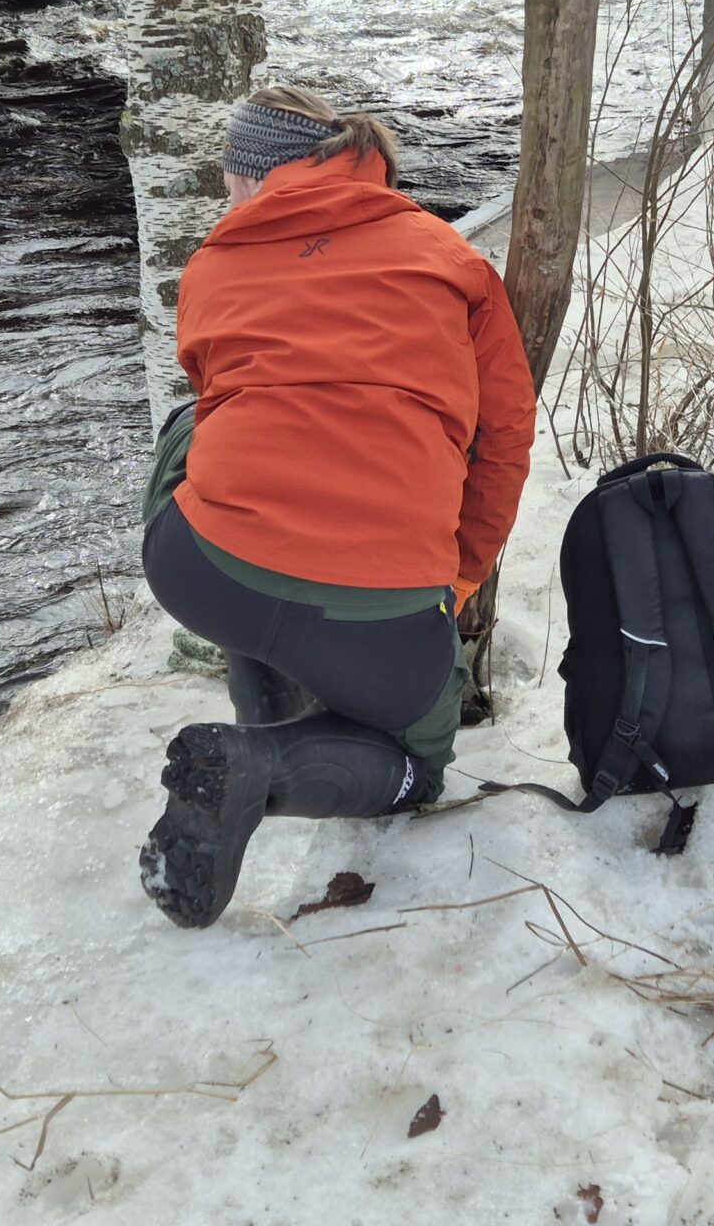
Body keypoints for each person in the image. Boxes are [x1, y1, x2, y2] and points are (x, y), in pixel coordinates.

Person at [137, 85, 537, 929]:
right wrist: (454, 584)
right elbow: (502, 441)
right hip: (381, 610)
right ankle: (259, 765)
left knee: (194, 426)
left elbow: (216, 397)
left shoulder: (215, 259)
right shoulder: (452, 259)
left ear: (256, 177)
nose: (228, 202)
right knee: (417, 769)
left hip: (202, 571)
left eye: (229, 183)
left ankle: (262, 701)